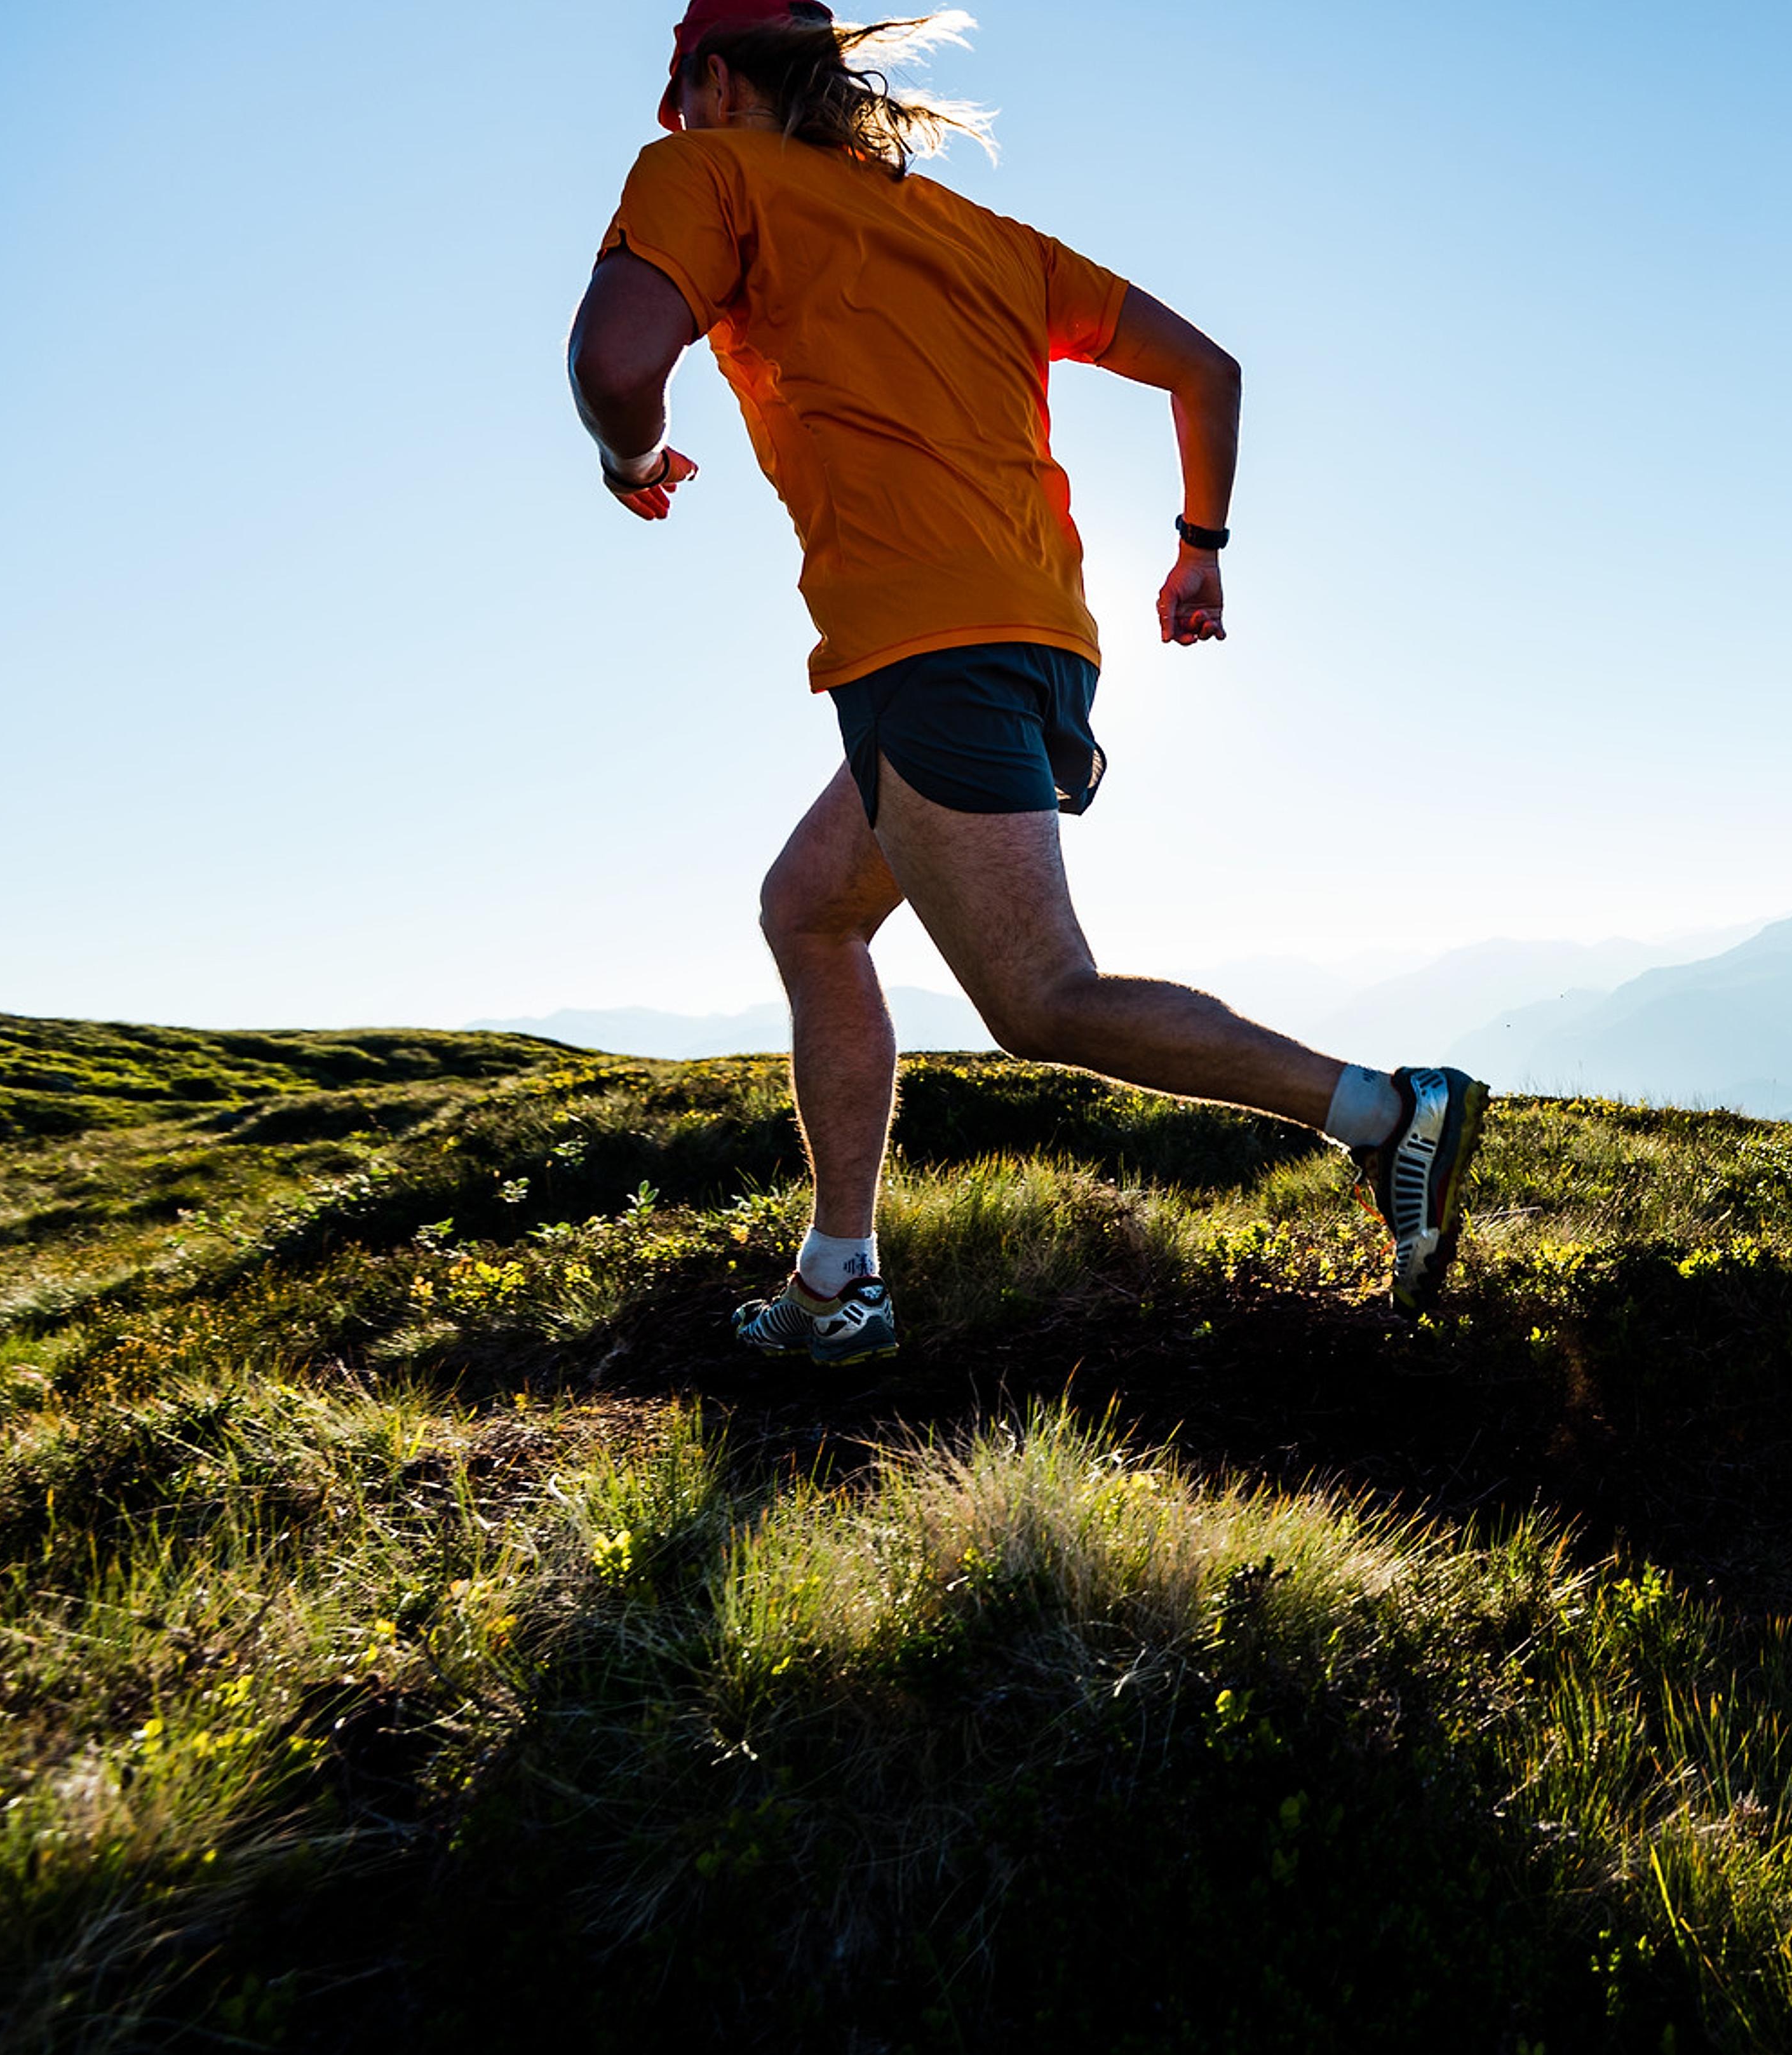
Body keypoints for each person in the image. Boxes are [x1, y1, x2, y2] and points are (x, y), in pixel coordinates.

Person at [566, 0, 1489, 1367]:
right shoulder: (982, 239)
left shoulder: (704, 174)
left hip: (921, 643)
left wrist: (633, 461)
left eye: (685, 99)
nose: (682, 125)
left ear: (712, 80)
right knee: (810, 912)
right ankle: (838, 1280)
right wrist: (1199, 553)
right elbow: (1208, 371)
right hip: (1041, 634)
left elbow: (614, 364)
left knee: (1039, 997)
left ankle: (1384, 1114)